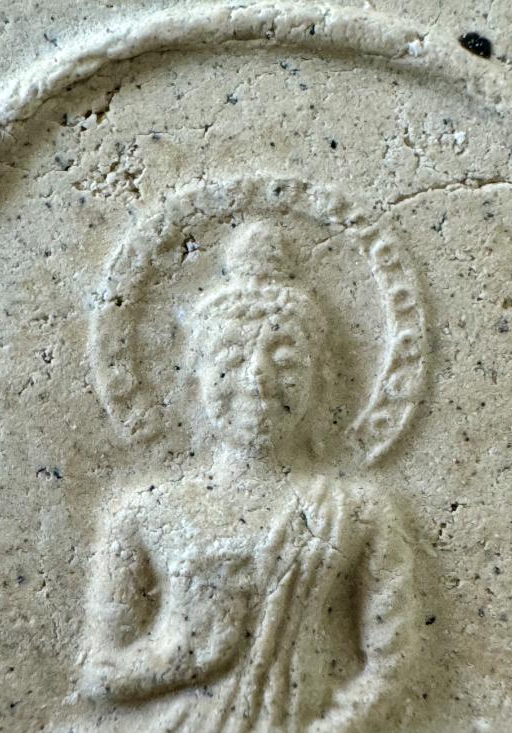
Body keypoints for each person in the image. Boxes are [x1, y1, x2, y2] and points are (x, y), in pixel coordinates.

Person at [80, 221, 416, 732]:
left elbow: (391, 668)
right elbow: (99, 675)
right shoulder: (146, 512)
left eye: (284, 357)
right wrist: (183, 652)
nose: (257, 374)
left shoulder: (357, 514)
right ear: (193, 376)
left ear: (322, 377)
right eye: (231, 356)